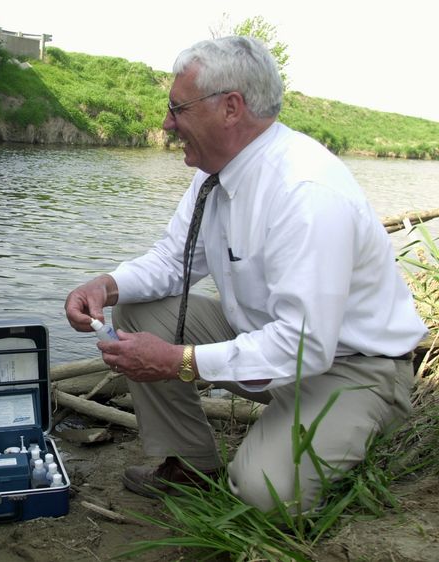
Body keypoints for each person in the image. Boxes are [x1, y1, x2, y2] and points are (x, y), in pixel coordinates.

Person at [64, 36, 427, 512]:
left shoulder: (305, 191)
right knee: (137, 309)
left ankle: (346, 428)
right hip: (273, 343)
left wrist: (180, 360)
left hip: (352, 368)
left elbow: (305, 346)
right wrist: (106, 286)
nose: (166, 123)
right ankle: (192, 464)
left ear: (230, 108)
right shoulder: (214, 173)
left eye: (177, 108)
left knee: (264, 494)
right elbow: (174, 260)